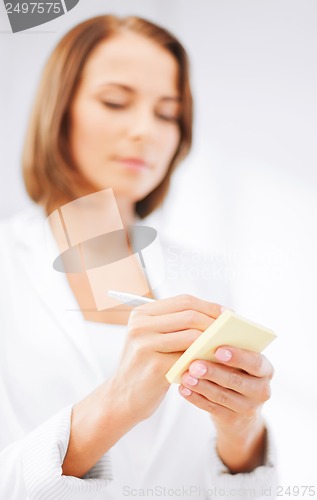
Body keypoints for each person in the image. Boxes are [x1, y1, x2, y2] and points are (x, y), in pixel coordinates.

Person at [0, 15, 277, 500]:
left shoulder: (205, 276)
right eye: (115, 102)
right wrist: (116, 405)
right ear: (59, 110)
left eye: (167, 113)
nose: (145, 131)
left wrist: (242, 432)